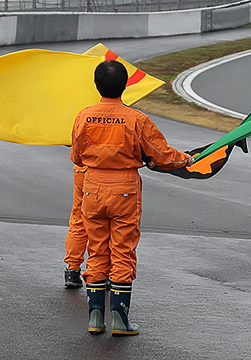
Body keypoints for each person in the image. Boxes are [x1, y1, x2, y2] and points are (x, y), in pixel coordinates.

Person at [70, 60, 192, 336]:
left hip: (92, 187)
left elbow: (76, 155)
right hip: (124, 188)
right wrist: (186, 159)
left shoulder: (83, 116)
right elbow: (161, 154)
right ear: (125, 86)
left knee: (97, 250)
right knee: (122, 251)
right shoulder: (136, 119)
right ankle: (120, 320)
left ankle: (95, 317)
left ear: (96, 85)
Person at [63, 163, 87, 288]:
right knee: (110, 226)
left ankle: (72, 270)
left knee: (79, 221)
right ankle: (105, 274)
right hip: (115, 173)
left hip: (83, 170)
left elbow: (75, 151)